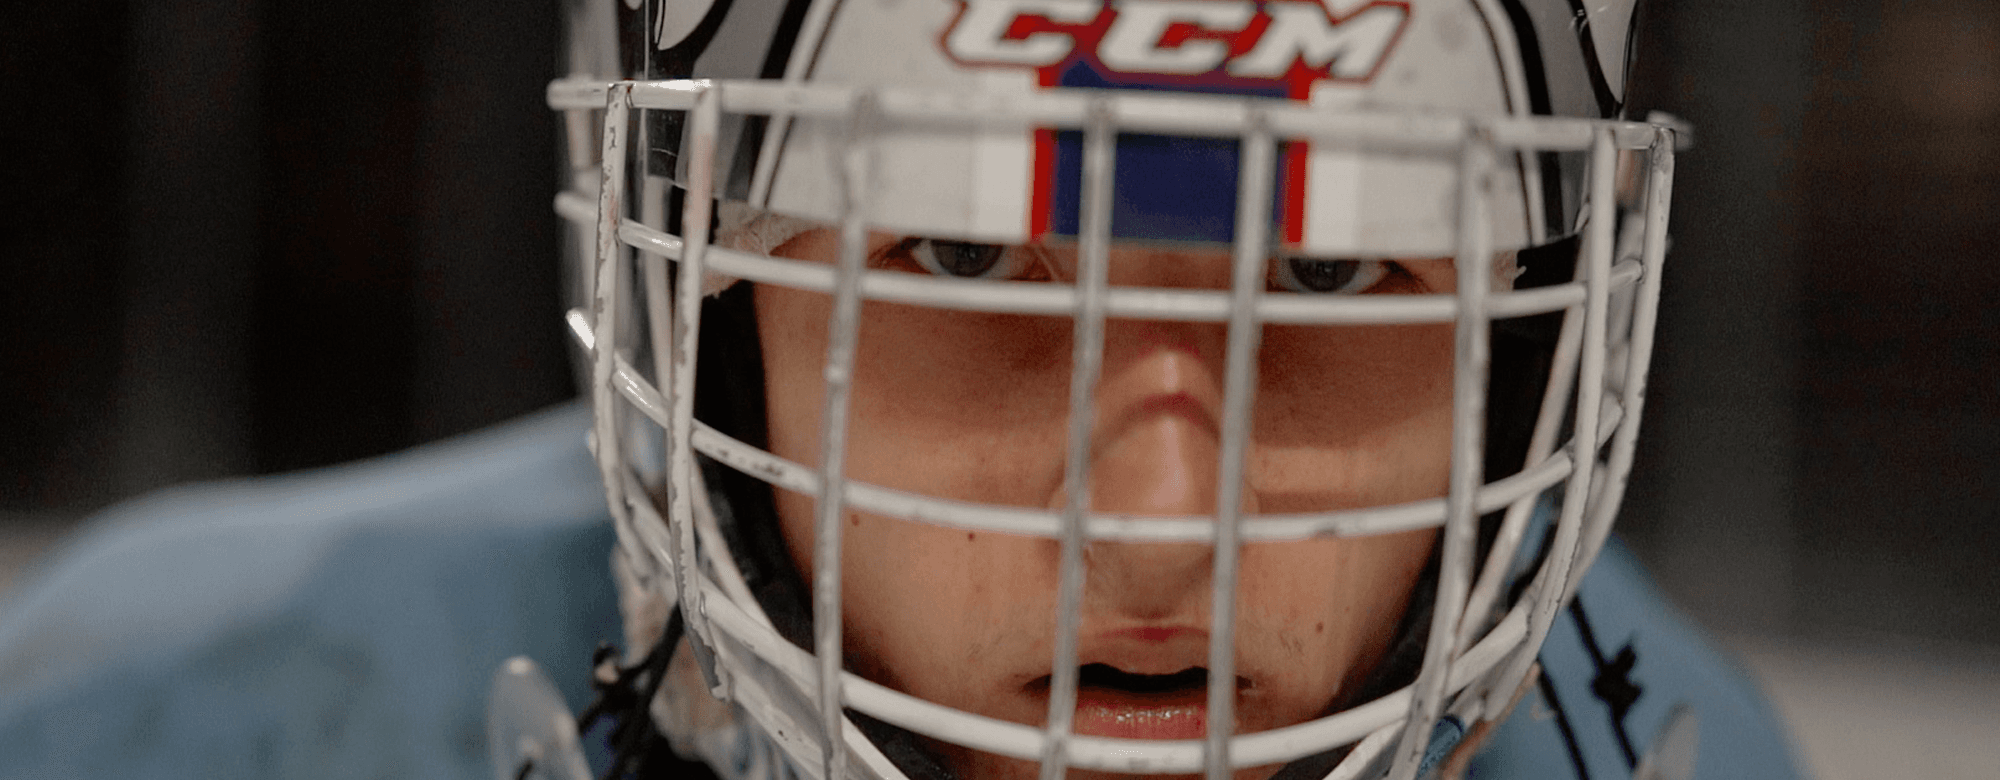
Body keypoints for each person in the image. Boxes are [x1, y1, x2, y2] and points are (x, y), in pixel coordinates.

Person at [0, 2, 1803, 780]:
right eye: (955, 254)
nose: (1159, 535)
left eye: (1330, 271)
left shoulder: (1672, 745)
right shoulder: (182, 719)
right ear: (702, 298)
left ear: (1532, 322)